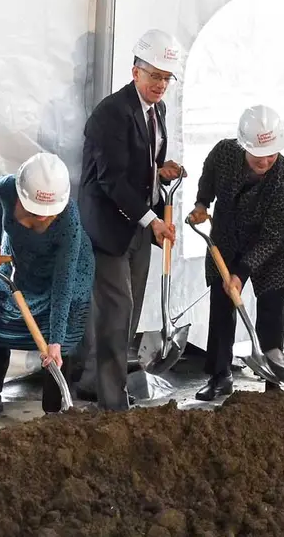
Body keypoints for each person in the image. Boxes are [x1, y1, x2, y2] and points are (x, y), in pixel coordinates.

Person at [78, 29, 186, 411]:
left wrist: (161, 171)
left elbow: (142, 163)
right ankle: (113, 402)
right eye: (154, 75)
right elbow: (111, 178)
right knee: (116, 308)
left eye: (166, 78)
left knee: (130, 308)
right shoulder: (111, 114)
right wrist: (150, 220)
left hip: (141, 223)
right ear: (135, 72)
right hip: (107, 226)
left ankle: (96, 380)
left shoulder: (158, 110)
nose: (160, 84)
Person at [187, 105, 284, 398]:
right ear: (243, 146)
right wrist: (203, 203)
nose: (266, 160)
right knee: (221, 299)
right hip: (230, 233)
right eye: (259, 153)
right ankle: (220, 375)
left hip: (281, 244)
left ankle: (273, 380)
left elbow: (272, 237)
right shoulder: (225, 153)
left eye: (272, 153)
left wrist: (241, 273)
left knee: (270, 301)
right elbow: (209, 173)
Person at [0, 153, 92, 415]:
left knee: (57, 344)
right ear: (20, 194)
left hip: (66, 273)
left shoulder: (68, 222)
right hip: (19, 259)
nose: (42, 217)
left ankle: (53, 413)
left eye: (49, 212)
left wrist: (54, 342)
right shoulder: (6, 188)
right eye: (35, 210)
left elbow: (63, 284)